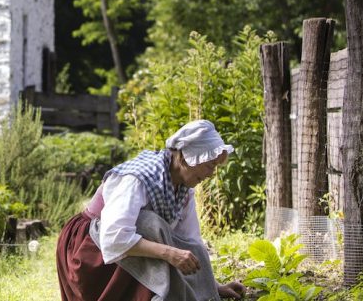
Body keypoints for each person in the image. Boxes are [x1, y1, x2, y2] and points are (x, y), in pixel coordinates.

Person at [56, 119, 248, 301]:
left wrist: (213, 286)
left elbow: (190, 243)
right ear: (185, 159)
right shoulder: (138, 178)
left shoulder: (183, 189)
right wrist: (169, 253)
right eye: (209, 166)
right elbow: (114, 237)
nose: (211, 174)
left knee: (164, 236)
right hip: (88, 248)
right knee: (151, 225)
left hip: (120, 247)